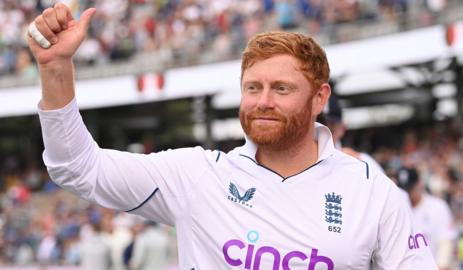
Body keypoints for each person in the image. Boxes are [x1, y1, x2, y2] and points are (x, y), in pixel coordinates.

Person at [28, 4, 438, 269]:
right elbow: (78, 168)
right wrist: (55, 69)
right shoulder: (197, 175)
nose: (263, 101)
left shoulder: (372, 191)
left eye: (281, 89)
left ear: (319, 98)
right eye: (252, 87)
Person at [396, 167, 456, 270]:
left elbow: (446, 243)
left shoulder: (437, 206)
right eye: (404, 190)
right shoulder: (396, 211)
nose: (407, 194)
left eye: (410, 189)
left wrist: (441, 266)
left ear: (420, 184)